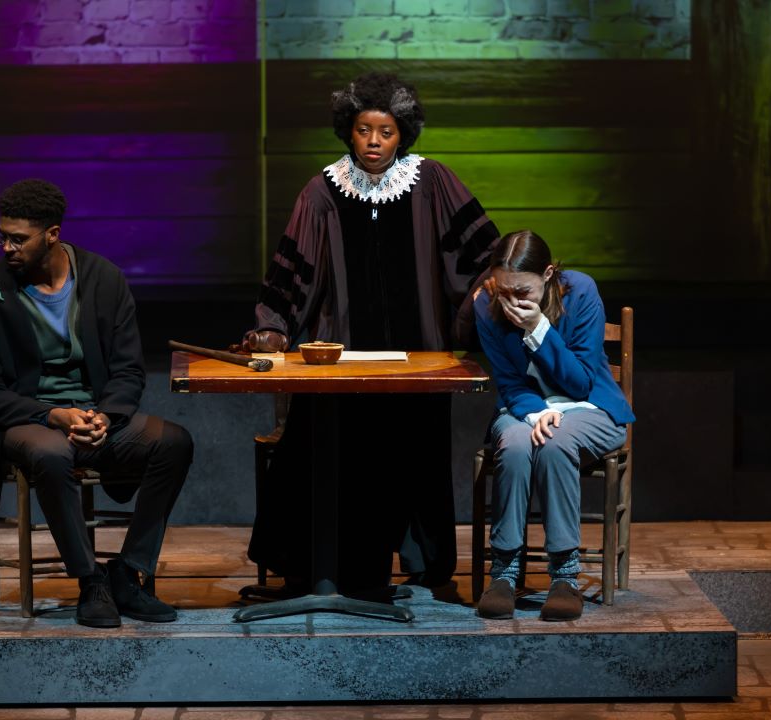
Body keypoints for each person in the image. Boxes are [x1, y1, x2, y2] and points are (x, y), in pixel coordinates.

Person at [242, 73, 500, 594]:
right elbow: (296, 275)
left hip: (419, 360)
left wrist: (483, 302)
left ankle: (426, 570)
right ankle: (332, 569)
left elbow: (482, 260)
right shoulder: (323, 192)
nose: (375, 142)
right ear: (348, 132)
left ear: (402, 132)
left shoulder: (433, 183)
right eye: (364, 130)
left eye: (385, 131)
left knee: (418, 459)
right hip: (344, 364)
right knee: (335, 455)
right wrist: (271, 329)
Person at [0, 178, 193, 628]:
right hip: (28, 416)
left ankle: (128, 572)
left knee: (174, 443)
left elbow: (128, 370)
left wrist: (104, 416)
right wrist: (53, 414)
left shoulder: (103, 280)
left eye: (18, 238)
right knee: (50, 453)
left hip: (95, 414)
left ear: (52, 234)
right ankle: (91, 581)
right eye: (2, 236)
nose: (7, 247)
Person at [472, 229, 635, 621]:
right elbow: (509, 382)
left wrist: (537, 329)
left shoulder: (580, 292)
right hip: (524, 408)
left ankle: (564, 575)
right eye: (504, 289)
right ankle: (504, 572)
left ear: (547, 275)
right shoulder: (486, 302)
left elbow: (580, 380)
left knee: (555, 443)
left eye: (522, 292)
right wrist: (535, 413)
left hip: (590, 406)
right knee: (513, 444)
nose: (512, 301)